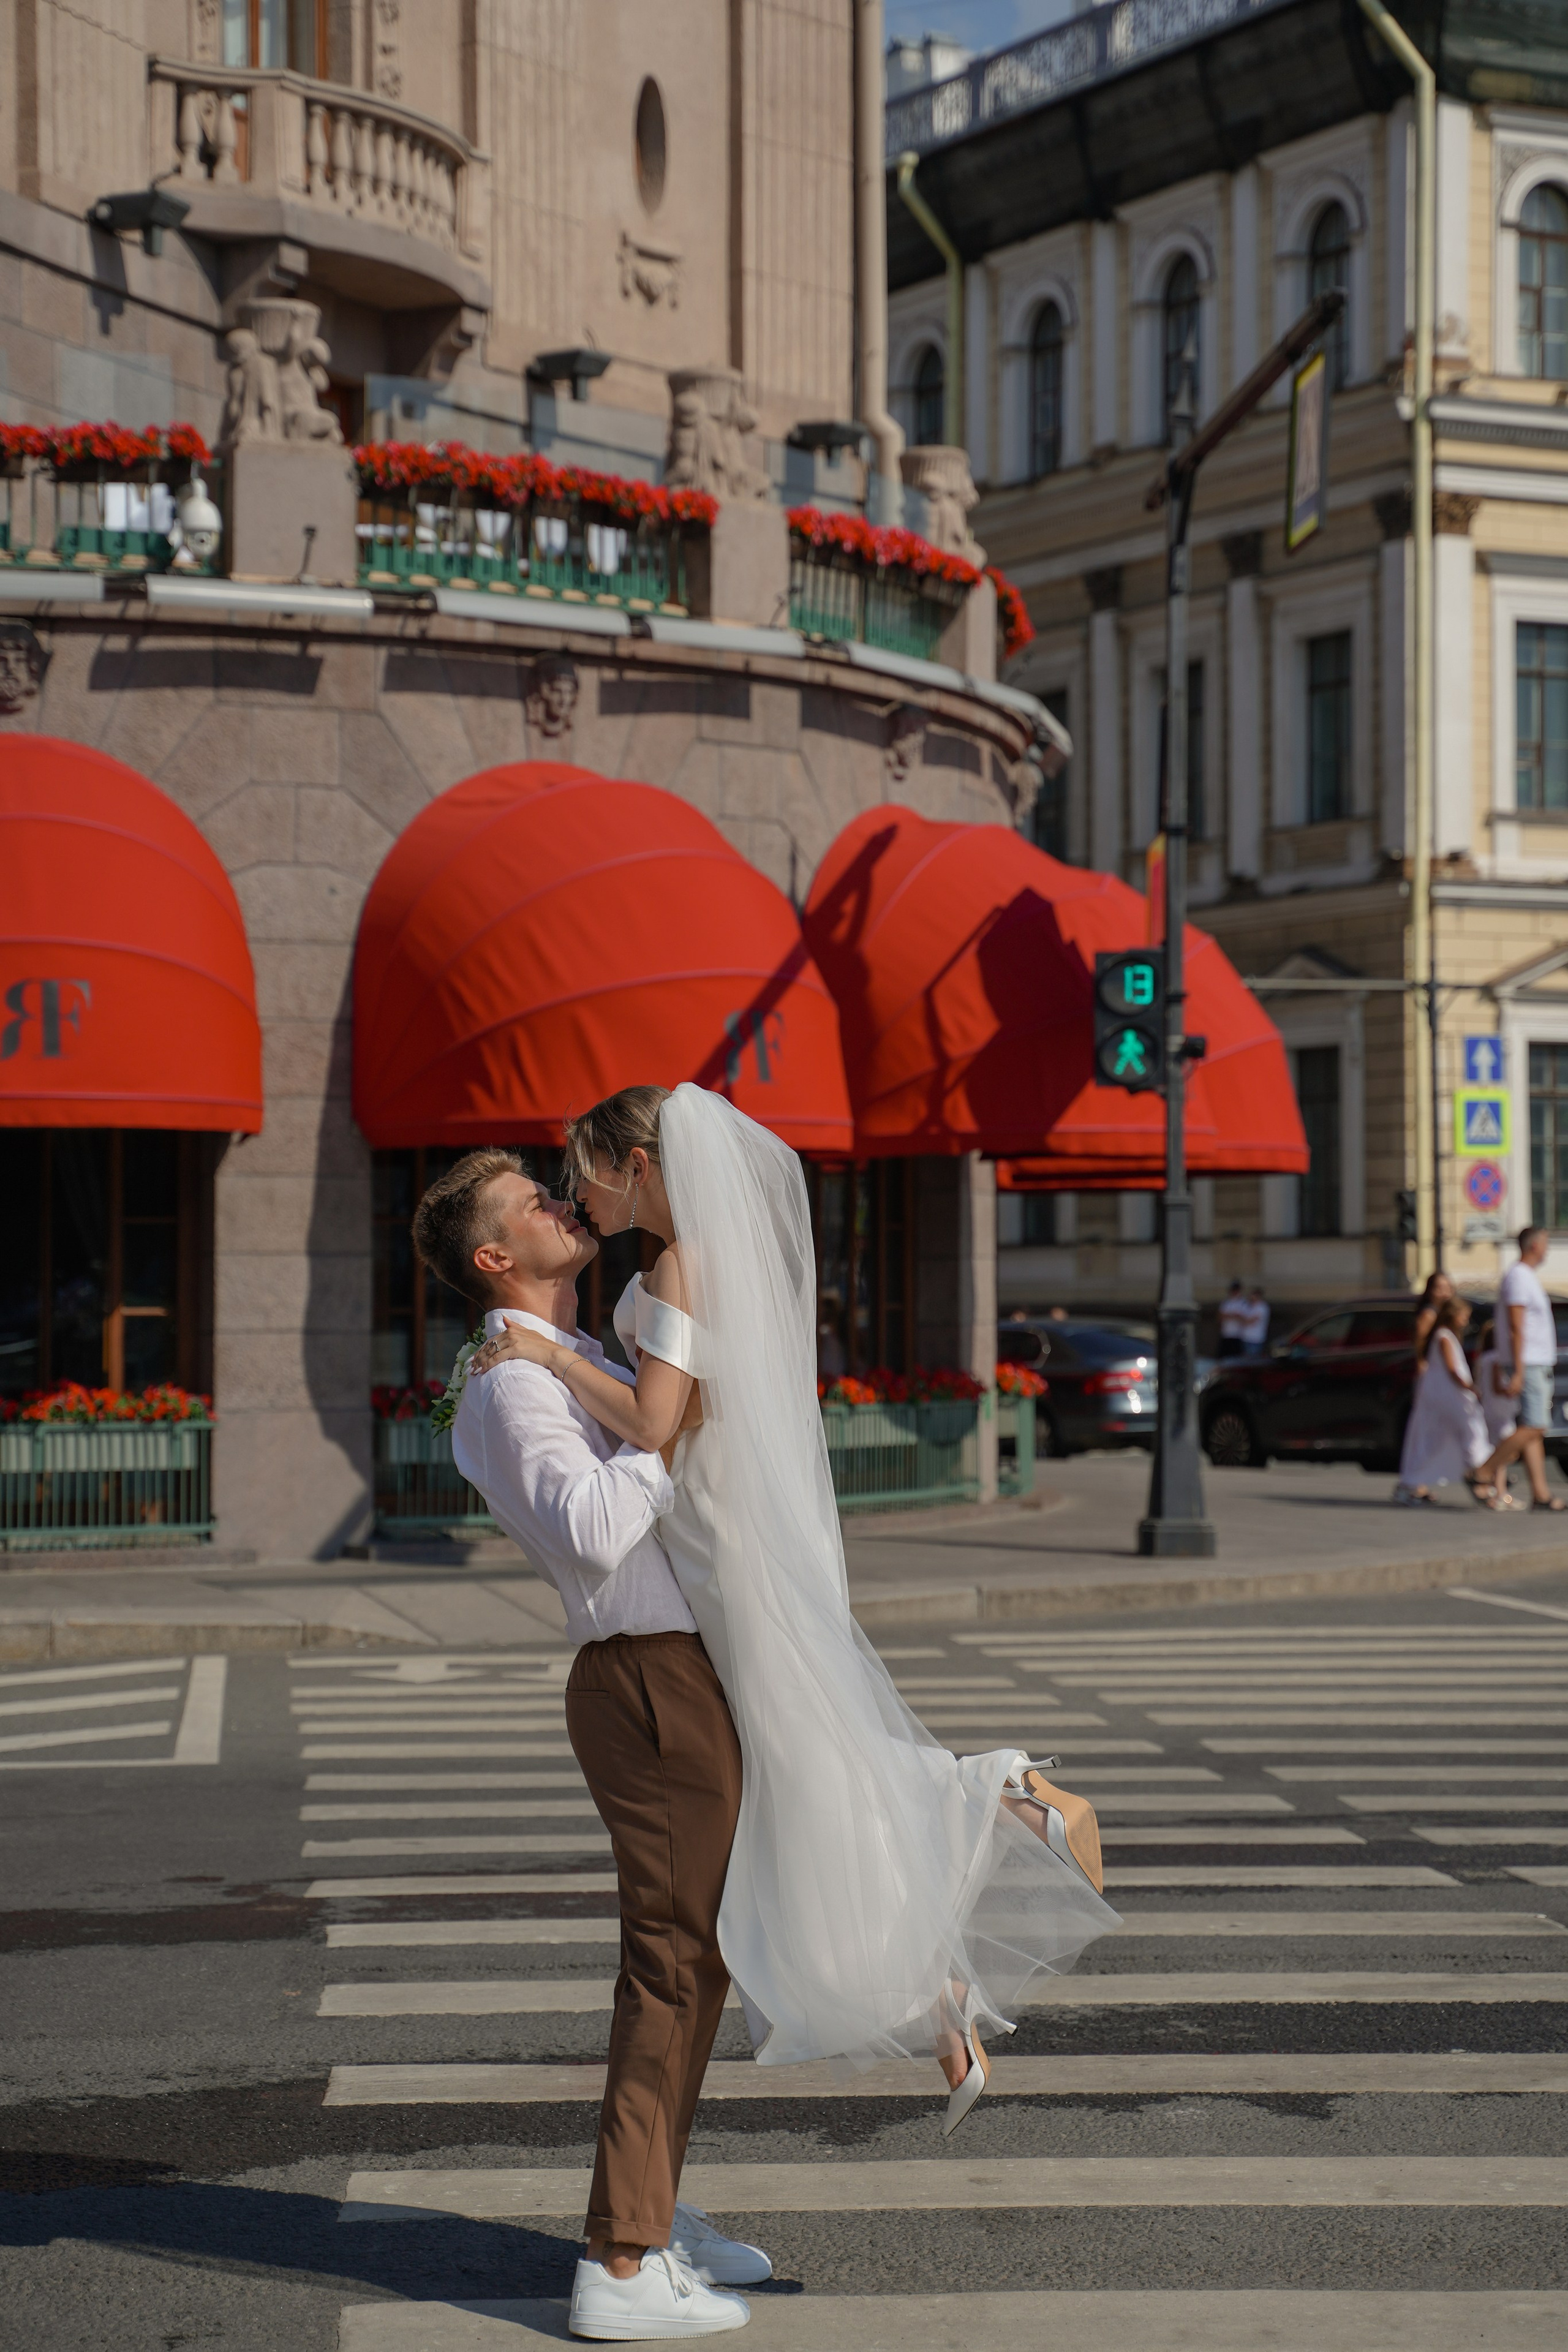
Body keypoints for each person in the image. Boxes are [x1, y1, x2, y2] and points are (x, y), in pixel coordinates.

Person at [471, 1084, 1118, 2128]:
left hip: (719, 1541)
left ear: (636, 1165)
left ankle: (1004, 1796)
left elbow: (651, 1421)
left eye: (582, 1167)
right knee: (798, 1765)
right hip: (723, 1527)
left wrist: (549, 1356)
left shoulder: (679, 1263)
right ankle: (936, 1984)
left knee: (801, 1757)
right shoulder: (696, 1260)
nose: (575, 1191)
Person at [412, 1152, 765, 2340]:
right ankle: (619, 2262)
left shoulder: (576, 1359)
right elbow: (597, 1527)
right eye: (530, 1202)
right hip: (643, 1679)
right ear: (494, 1260)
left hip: (680, 1673)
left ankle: (653, 2208)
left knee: (699, 1959)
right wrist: (655, 1433)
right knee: (669, 1963)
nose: (562, 1202)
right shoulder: (512, 1386)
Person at [1477, 1225, 1566, 1512]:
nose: (1547, 1250)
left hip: (1535, 1362)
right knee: (1534, 1427)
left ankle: (1540, 1494)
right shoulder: (1518, 1277)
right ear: (1534, 1246)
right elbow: (1516, 1327)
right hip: (1527, 1363)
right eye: (1545, 1244)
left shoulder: (1526, 1278)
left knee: (1535, 1431)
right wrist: (1517, 1369)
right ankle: (1483, 1471)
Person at [1395, 1296, 1497, 1506]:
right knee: (1469, 1430)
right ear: (1453, 1316)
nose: (1466, 1321)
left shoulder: (1446, 1336)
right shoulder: (1444, 1337)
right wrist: (1470, 1387)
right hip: (1448, 1397)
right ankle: (1480, 1475)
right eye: (1464, 1316)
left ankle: (1479, 1475)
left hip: (1445, 1396)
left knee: (1443, 1437)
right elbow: (1452, 1369)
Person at [1393, 1270, 1454, 1505]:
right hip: (1430, 1378)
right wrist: (1422, 1365)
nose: (1445, 1292)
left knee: (1429, 1430)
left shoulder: (1442, 1315)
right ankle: (1412, 1483)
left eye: (1448, 1287)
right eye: (1440, 1288)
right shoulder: (1430, 1314)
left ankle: (1418, 1482)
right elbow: (1420, 1343)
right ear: (1430, 1291)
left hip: (1436, 1378)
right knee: (1424, 1428)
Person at [1216, 1281, 1248, 1358]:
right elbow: (1220, 1316)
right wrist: (1233, 1316)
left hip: (1238, 1335)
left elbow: (1244, 1318)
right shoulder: (1227, 1302)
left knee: (1236, 1357)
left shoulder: (1243, 1303)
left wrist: (1231, 1316)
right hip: (1226, 1334)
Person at [1241, 1284, 1270, 1356]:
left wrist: (1240, 1319)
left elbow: (1250, 1320)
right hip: (1246, 1337)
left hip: (1256, 1339)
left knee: (1254, 1359)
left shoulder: (1262, 1307)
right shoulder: (1248, 1306)